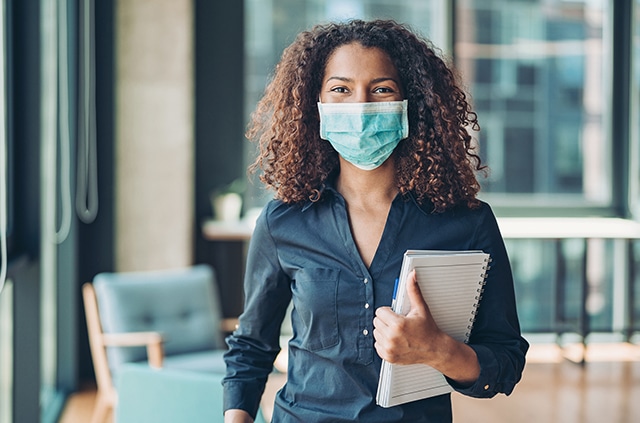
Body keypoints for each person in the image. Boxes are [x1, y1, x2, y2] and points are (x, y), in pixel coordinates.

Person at [223, 19, 528, 422]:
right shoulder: (283, 221)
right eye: (341, 89)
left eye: (382, 89)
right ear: (314, 105)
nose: (361, 106)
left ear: (411, 103)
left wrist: (439, 350)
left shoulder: (467, 224)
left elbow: (505, 361)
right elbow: (252, 346)